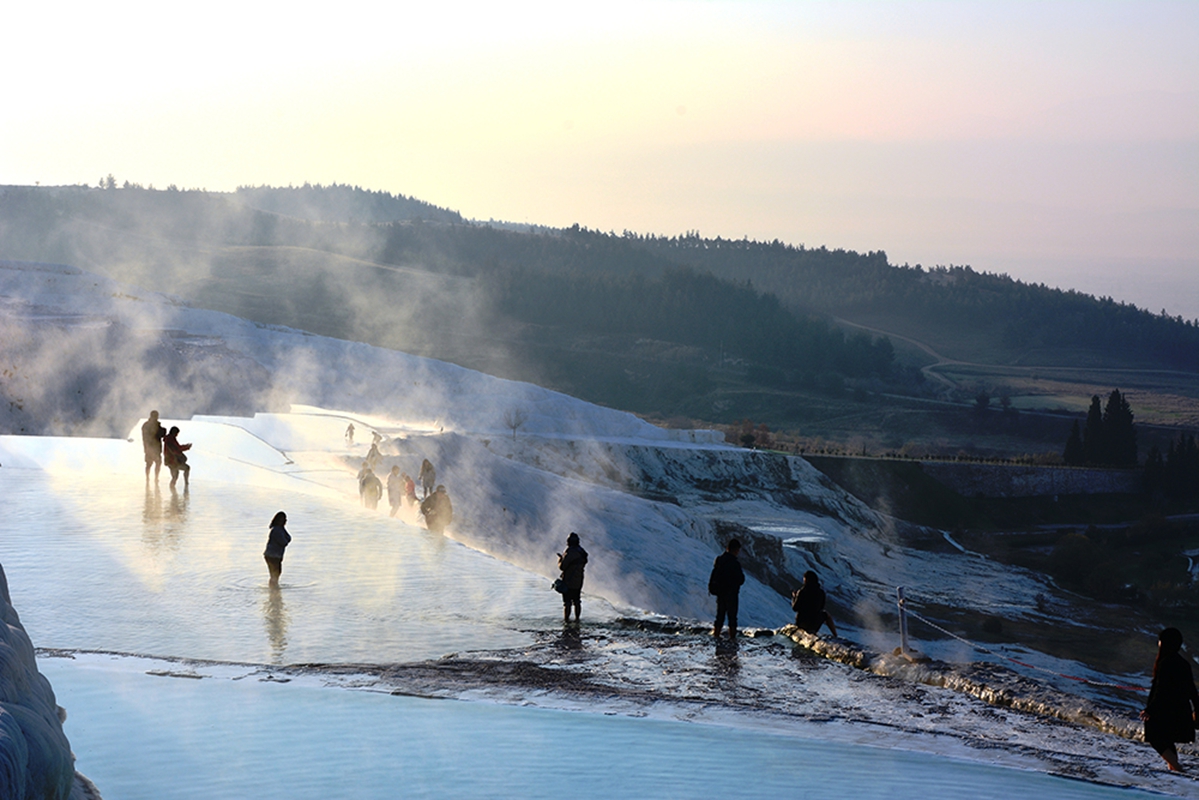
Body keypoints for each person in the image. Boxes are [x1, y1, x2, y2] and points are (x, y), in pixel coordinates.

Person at [1140, 627, 1199, 772]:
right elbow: (1191, 689)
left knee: (1155, 737)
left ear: (1164, 643)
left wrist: (1149, 710)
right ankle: (1172, 768)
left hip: (1165, 711)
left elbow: (1161, 690)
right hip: (1181, 711)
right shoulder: (1183, 663)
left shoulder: (1165, 662)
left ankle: (1177, 768)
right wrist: (1196, 707)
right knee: (1167, 740)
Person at [708, 539, 745, 639]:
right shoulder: (734, 563)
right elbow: (740, 579)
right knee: (732, 617)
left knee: (720, 616)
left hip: (720, 592)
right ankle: (732, 637)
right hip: (731, 593)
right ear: (736, 550)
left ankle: (716, 635)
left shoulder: (719, 560)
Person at [791, 570, 838, 637]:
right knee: (826, 615)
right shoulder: (821, 592)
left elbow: (795, 608)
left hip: (802, 623)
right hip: (815, 623)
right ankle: (835, 635)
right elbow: (821, 607)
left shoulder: (802, 592)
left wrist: (794, 597)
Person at [557, 532, 588, 624]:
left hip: (568, 580)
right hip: (579, 580)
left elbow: (562, 567)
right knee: (577, 600)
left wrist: (560, 559)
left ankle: (566, 620)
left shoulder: (569, 552)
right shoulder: (582, 552)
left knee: (567, 602)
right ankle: (577, 619)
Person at [263, 511, 292, 588]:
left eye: (285, 519)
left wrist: (286, 538)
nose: (285, 521)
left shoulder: (281, 529)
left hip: (275, 555)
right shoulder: (276, 530)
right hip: (272, 556)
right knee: (275, 574)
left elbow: (289, 537)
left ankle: (274, 590)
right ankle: (273, 591)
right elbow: (284, 542)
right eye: (282, 519)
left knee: (276, 574)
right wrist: (286, 540)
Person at [163, 425, 191, 490]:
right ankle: (186, 484)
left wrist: (185, 447)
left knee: (175, 476)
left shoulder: (169, 439)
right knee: (186, 469)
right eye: (177, 433)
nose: (177, 435)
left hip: (169, 460)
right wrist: (186, 447)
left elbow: (176, 448)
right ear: (174, 433)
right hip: (173, 460)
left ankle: (173, 492)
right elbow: (175, 450)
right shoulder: (170, 439)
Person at [141, 410, 166, 483]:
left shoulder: (145, 425)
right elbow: (160, 434)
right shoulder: (154, 425)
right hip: (154, 448)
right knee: (156, 463)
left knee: (149, 464)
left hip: (149, 448)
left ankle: (149, 478)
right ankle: (154, 478)